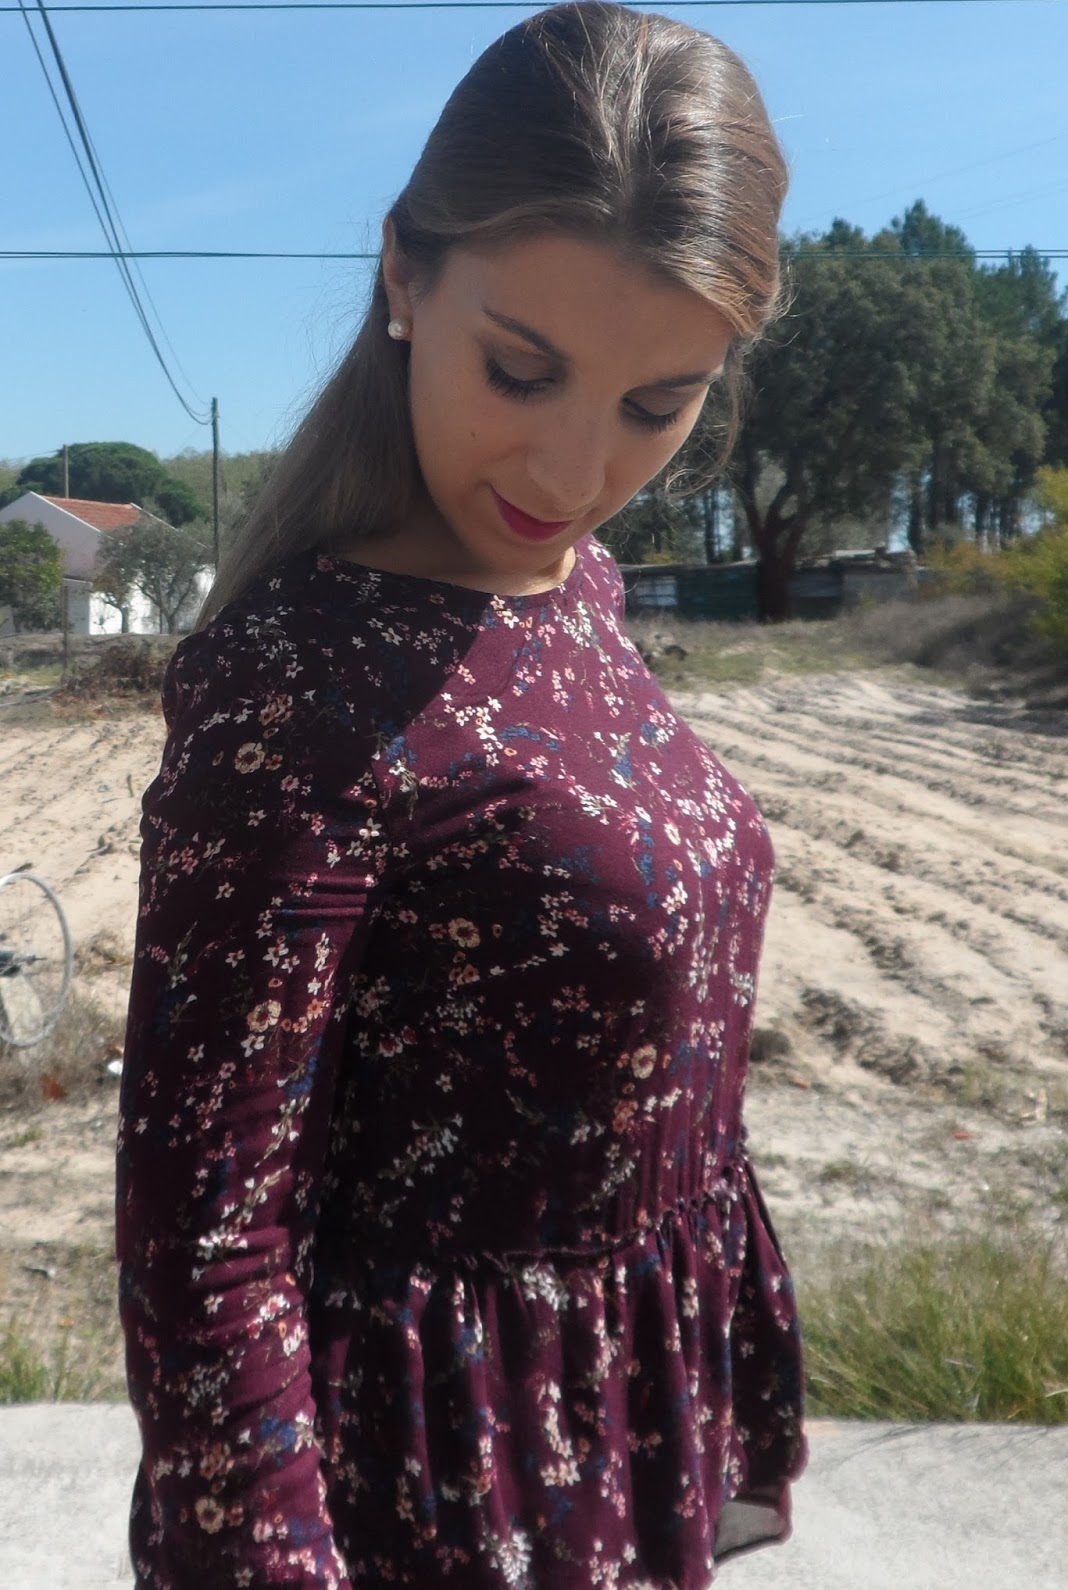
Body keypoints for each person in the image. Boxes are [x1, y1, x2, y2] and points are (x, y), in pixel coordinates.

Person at [114, 5, 806, 1584]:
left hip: (612, 1422)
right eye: (521, 369)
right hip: (436, 1496)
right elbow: (206, 1232)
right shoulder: (303, 680)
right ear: (402, 276)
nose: (570, 473)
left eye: (656, 404)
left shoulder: (578, 588)